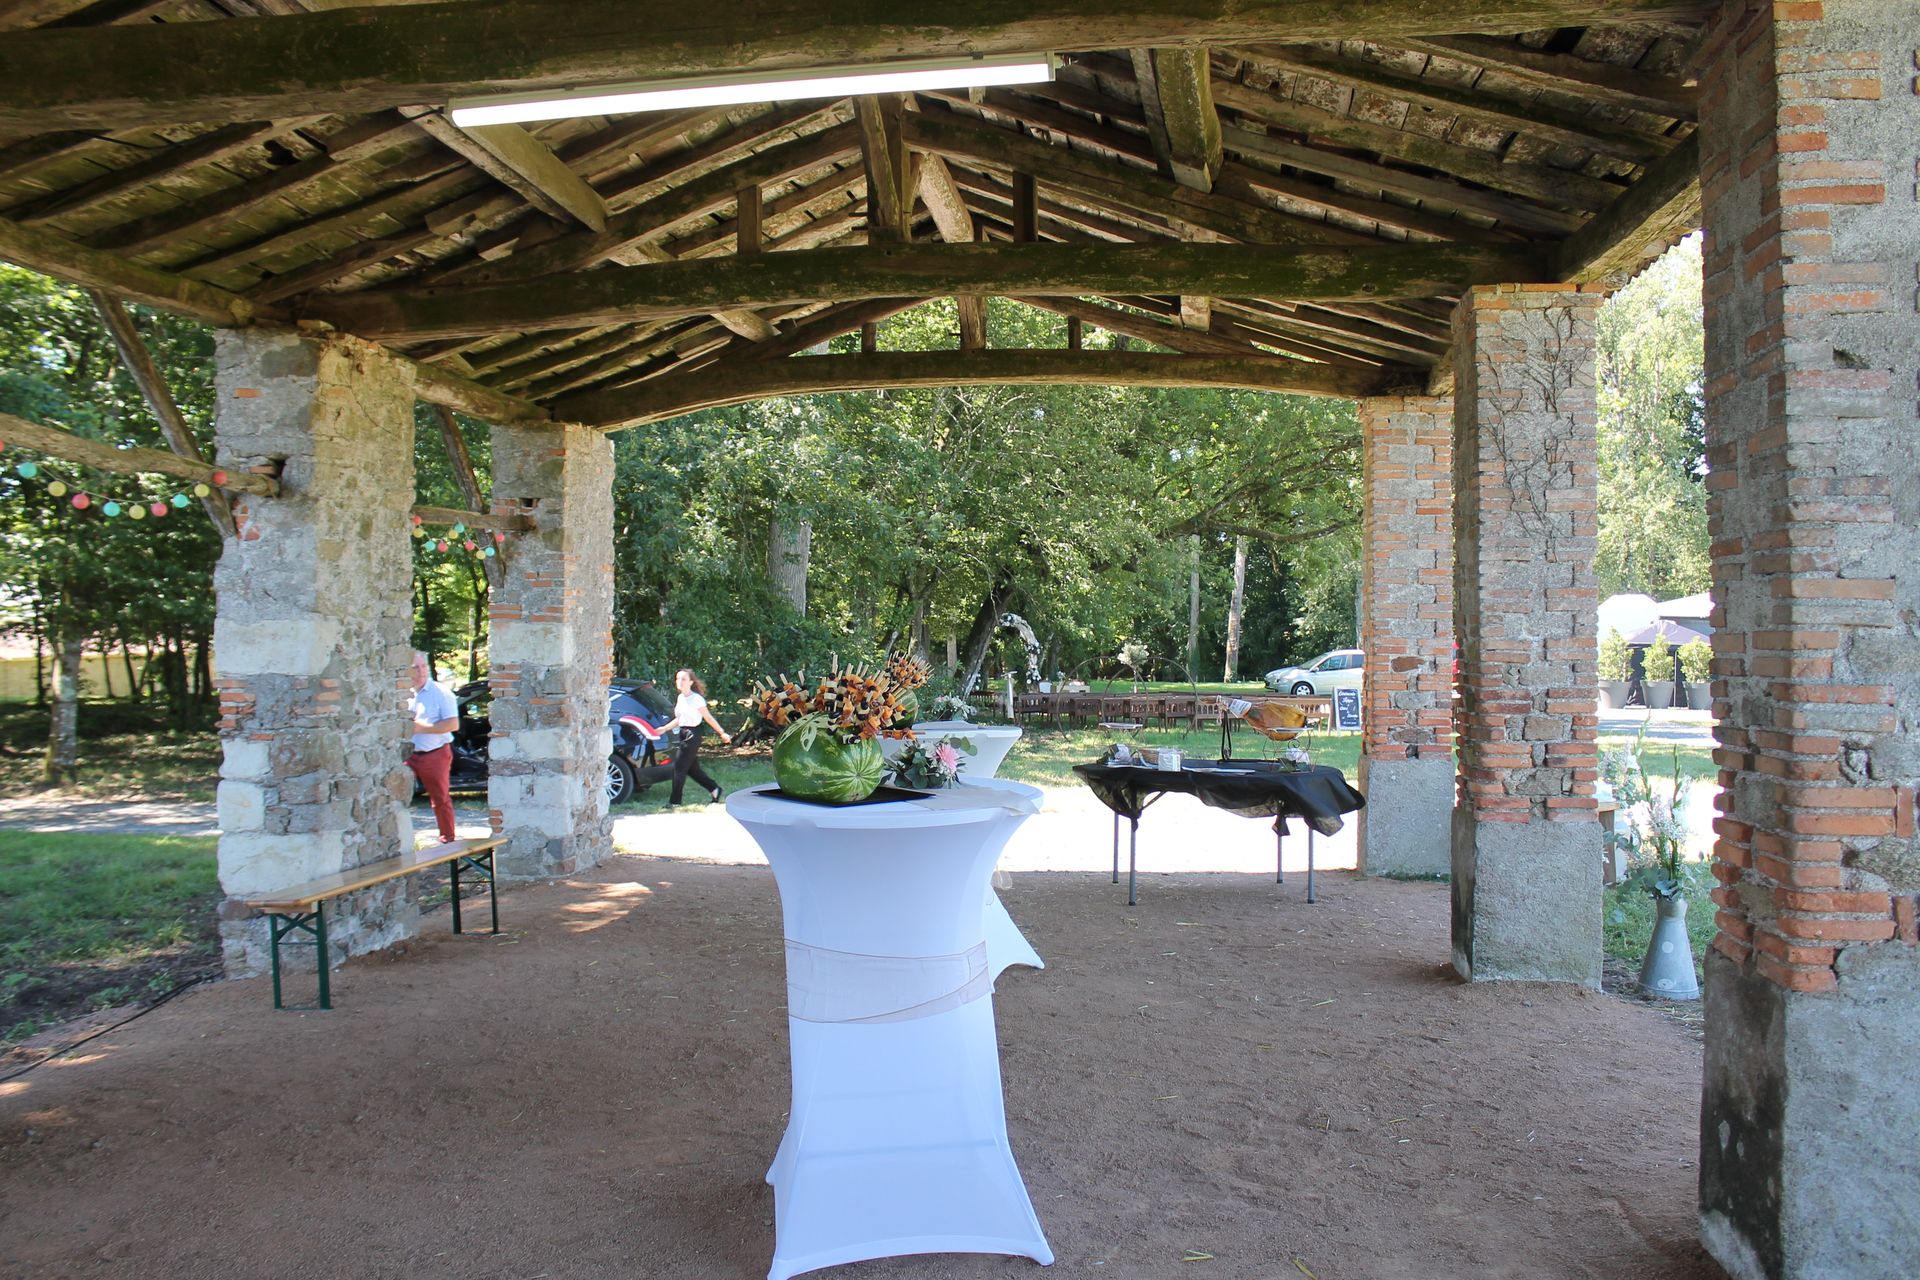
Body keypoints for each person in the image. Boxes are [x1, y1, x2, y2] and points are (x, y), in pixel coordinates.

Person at [406, 649, 460, 844]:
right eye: (415, 668)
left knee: (440, 798)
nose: (421, 672)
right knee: (394, 794)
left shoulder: (441, 693)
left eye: (423, 667)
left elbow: (453, 725)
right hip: (408, 755)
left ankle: (448, 840)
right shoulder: (402, 693)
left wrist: (421, 728)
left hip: (434, 753)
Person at [668, 667, 732, 807]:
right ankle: (714, 789)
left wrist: (722, 732)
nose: (680, 682)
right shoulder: (680, 698)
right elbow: (680, 719)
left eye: (683, 679)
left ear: (691, 682)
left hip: (693, 735)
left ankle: (675, 802)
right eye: (677, 679)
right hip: (683, 733)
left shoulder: (697, 699)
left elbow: (708, 717)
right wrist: (664, 728)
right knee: (692, 769)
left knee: (679, 767)